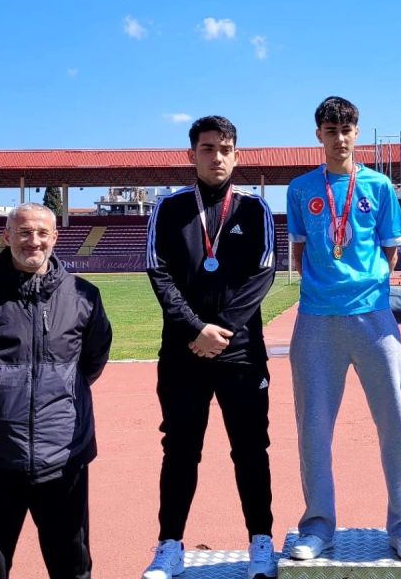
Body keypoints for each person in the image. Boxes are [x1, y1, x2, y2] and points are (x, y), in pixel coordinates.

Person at [0, 203, 112, 579]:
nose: (34, 241)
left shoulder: (84, 296)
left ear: (55, 238)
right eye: (24, 232)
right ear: (7, 237)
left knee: (73, 566)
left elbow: (92, 362)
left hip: (63, 455)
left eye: (42, 233)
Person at [285, 96, 401, 561]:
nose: (339, 138)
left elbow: (390, 252)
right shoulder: (301, 189)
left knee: (396, 423)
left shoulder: (379, 186)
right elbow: (300, 253)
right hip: (317, 319)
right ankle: (317, 526)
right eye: (331, 130)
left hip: (373, 318)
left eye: (346, 130)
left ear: (357, 133)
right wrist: (328, 286)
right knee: (313, 428)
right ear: (319, 135)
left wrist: (363, 286)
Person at [143, 115, 278, 579]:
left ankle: (261, 541)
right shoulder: (169, 208)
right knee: (180, 449)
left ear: (236, 155)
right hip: (183, 352)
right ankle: (169, 545)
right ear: (191, 154)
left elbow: (263, 273)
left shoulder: (255, 209)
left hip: (241, 353)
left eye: (224, 149)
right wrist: (194, 329)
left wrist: (219, 329)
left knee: (251, 448)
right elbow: (158, 271)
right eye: (207, 148)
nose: (216, 156)